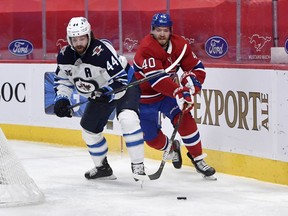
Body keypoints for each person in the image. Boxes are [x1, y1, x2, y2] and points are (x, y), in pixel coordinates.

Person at [53, 17, 145, 180]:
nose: (79, 43)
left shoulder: (101, 51)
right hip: (99, 94)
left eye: (82, 38)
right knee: (89, 130)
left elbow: (121, 79)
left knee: (128, 119)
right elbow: (63, 80)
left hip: (124, 85)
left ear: (89, 36)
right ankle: (103, 168)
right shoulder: (64, 56)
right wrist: (61, 99)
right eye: (75, 39)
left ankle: (138, 166)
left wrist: (106, 91)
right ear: (69, 40)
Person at [133, 13, 216, 178]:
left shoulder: (181, 45)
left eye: (165, 30)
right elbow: (157, 80)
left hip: (168, 94)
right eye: (158, 30)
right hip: (145, 97)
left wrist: (192, 84)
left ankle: (198, 158)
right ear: (152, 31)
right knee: (151, 139)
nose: (162, 34)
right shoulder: (147, 48)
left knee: (184, 117)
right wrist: (179, 91)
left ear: (170, 30)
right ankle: (171, 147)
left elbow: (196, 68)